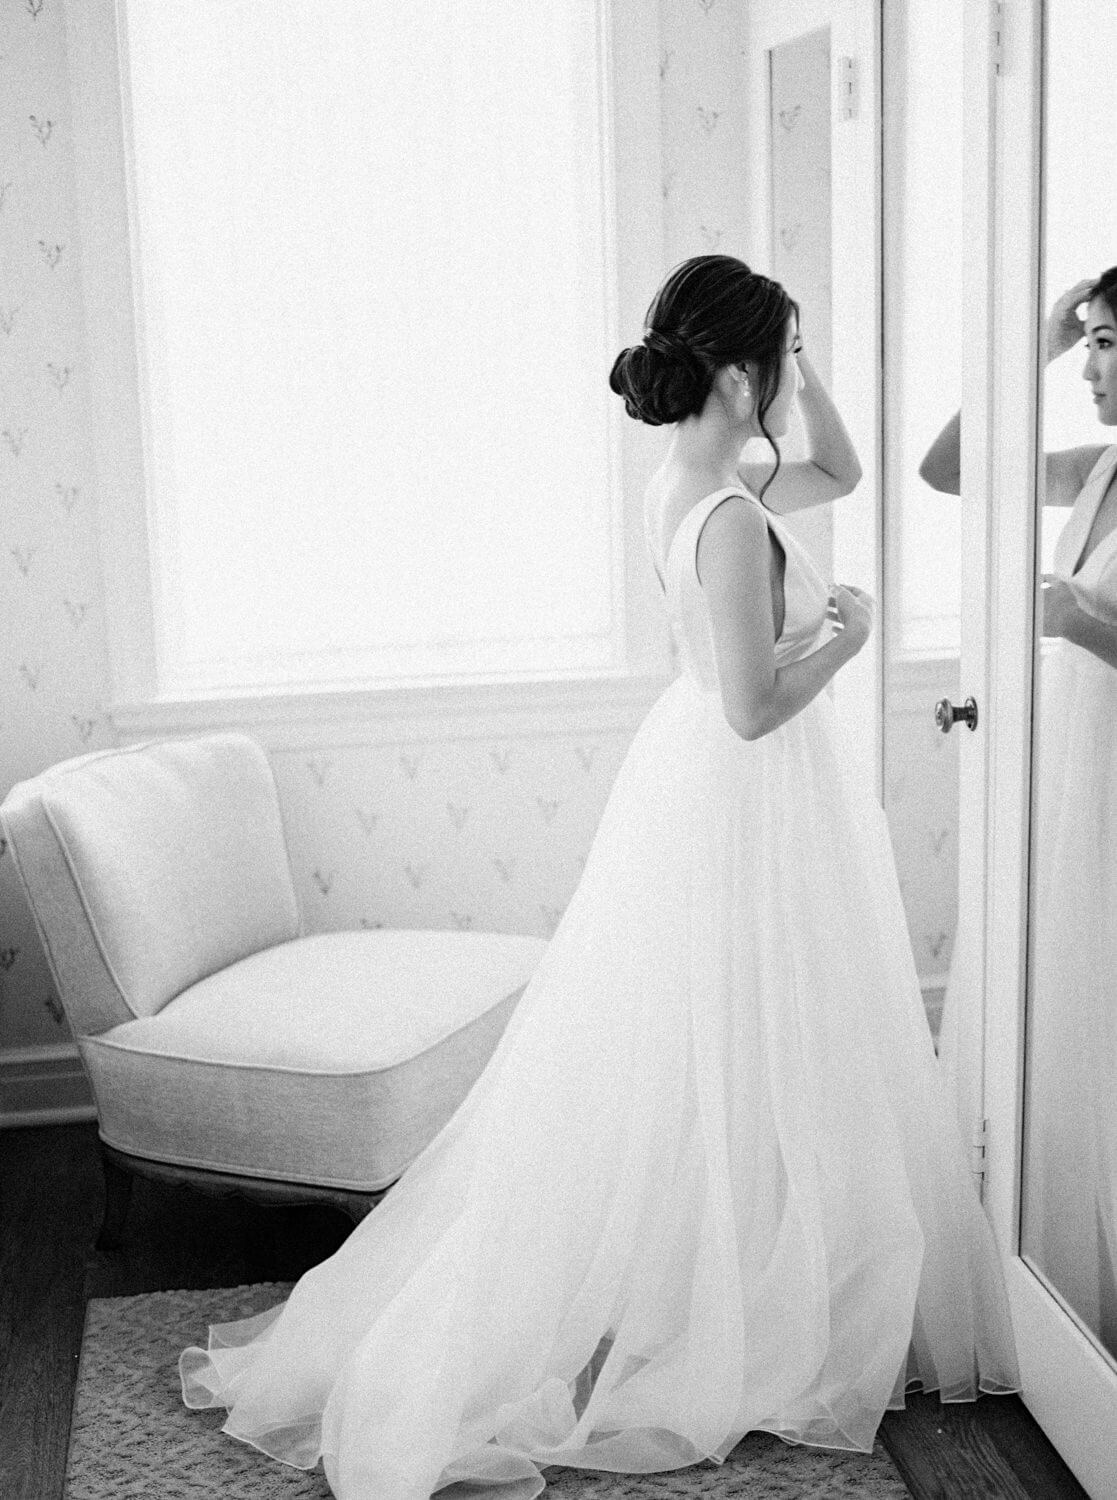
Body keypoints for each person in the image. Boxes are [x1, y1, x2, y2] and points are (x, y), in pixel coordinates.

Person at [180, 255, 1020, 1500]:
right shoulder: (729, 517)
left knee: (736, 1028)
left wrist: (795, 358)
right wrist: (848, 641)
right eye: (784, 360)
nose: (797, 380)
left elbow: (840, 470)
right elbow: (752, 709)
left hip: (714, 785)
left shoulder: (693, 477)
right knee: (749, 1025)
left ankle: (740, 1256)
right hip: (747, 788)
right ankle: (738, 1288)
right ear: (738, 377)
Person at [924, 267, 1117, 1351]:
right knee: (1059, 985)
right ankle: (1043, 1265)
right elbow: (948, 469)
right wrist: (1034, 348)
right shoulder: (1097, 468)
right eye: (1086, 343)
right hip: (1073, 758)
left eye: (1105, 344)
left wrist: (1075, 619)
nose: (1090, 367)